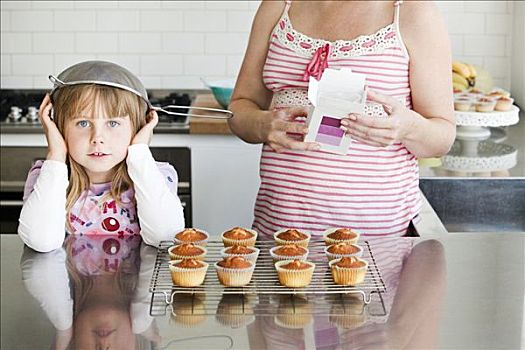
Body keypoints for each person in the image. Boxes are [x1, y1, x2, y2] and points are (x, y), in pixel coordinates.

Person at [228, 0, 455, 238]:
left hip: (375, 235)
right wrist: (260, 124)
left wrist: (407, 128)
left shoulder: (413, 12)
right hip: (280, 231)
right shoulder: (279, 6)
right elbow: (239, 108)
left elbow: (442, 138)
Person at [18, 61, 185, 252]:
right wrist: (56, 154)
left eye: (113, 123)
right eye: (82, 123)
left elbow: (165, 238)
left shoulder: (157, 176)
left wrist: (139, 153)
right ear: (59, 128)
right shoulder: (46, 177)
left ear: (139, 127)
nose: (97, 138)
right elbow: (41, 241)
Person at [20, 234, 161, 350]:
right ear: (136, 344)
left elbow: (37, 269)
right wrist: (144, 317)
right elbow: (163, 255)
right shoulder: (143, 267)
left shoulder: (59, 269)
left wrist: (63, 324)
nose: (104, 346)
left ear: (73, 343)